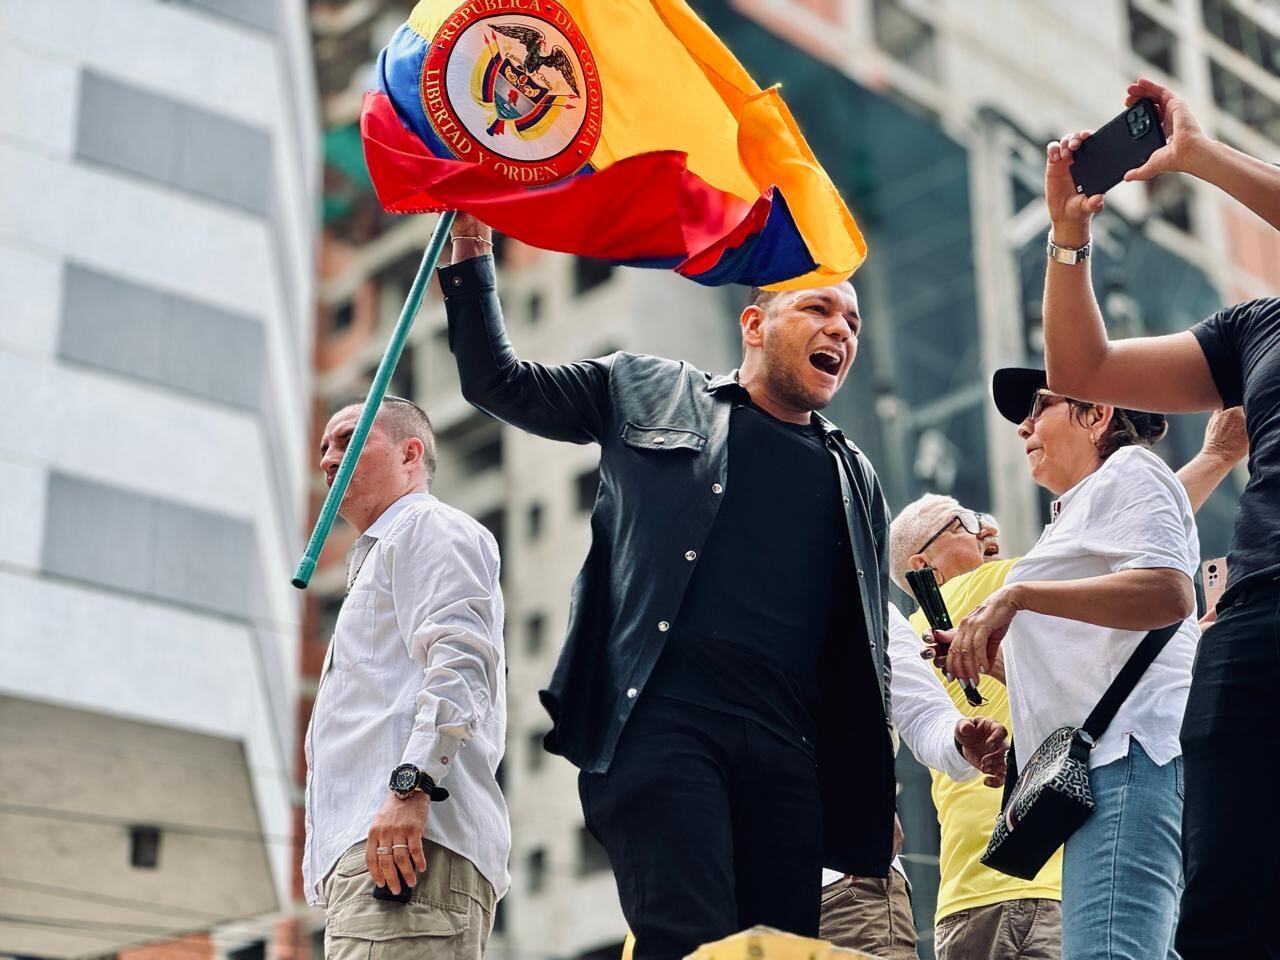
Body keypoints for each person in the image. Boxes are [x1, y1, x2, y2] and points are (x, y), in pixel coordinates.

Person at [442, 213, 896, 960]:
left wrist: (868, 781)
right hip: (663, 725)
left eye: (852, 319)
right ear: (754, 322)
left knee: (776, 953)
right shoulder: (648, 390)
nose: (841, 330)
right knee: (689, 939)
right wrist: (473, 249)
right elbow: (499, 383)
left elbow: (866, 643)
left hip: (790, 758)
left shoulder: (856, 476)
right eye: (818, 307)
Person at [1038, 76, 1279, 959]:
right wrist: (1070, 235)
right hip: (1256, 618)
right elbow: (1084, 365)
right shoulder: (1257, 329)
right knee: (1225, 910)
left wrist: (1202, 156)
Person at [889, 405, 1244, 960]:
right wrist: (1215, 458)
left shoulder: (910, 638)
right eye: (963, 523)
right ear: (923, 566)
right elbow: (1131, 546)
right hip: (1046, 874)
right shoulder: (993, 587)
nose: (990, 528)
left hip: (977, 879)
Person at [303, 396, 509, 960]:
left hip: (406, 847)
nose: (327, 458)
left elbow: (462, 660)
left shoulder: (427, 527)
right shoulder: (384, 550)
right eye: (323, 446)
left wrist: (411, 786)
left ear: (409, 453)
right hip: (377, 855)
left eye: (348, 440)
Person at [820, 602, 1010, 960]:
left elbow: (923, 713)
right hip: (713, 893)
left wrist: (958, 741)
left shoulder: (863, 594)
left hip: (843, 892)